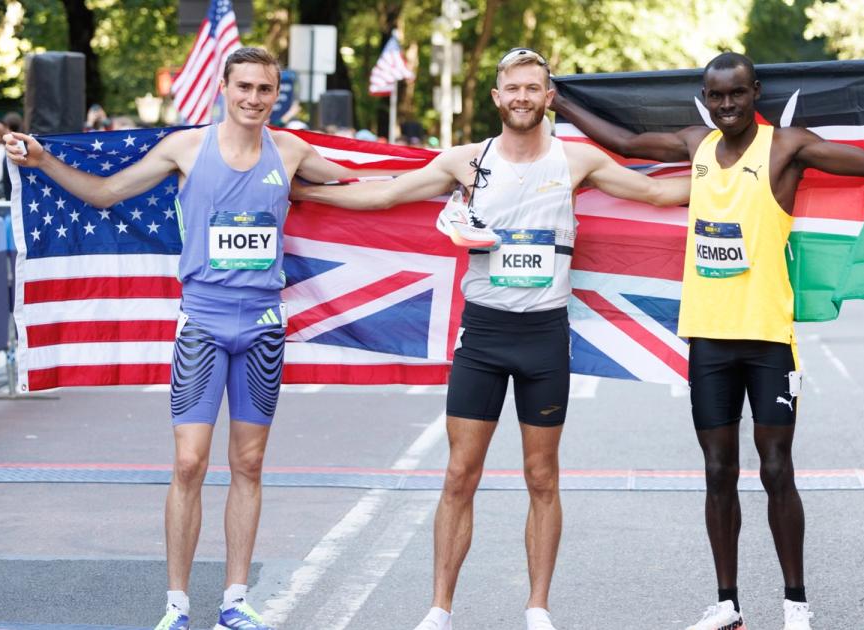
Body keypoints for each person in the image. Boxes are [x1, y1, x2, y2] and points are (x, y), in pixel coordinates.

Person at [552, 52, 864, 630]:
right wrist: (558, 99)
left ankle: (796, 604)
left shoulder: (787, 147)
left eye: (736, 94)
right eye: (715, 96)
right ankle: (727, 605)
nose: (726, 106)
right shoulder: (696, 146)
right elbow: (627, 142)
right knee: (718, 471)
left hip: (768, 339)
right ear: (705, 98)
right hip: (709, 340)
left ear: (755, 92)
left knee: (775, 469)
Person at [292, 47, 689, 630]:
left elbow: (655, 194)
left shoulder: (575, 160)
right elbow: (384, 194)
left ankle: (537, 608)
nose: (523, 97)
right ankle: (439, 609)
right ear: (498, 98)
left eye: (534, 88)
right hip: (483, 335)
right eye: (514, 89)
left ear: (548, 97)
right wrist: (306, 195)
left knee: (542, 476)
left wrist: (738, 179)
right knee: (460, 474)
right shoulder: (465, 161)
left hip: (545, 337)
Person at [4, 47, 362, 630]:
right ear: (224, 87)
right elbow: (104, 194)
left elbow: (358, 182)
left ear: (277, 94)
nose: (253, 98)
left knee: (248, 462)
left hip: (263, 328)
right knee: (190, 462)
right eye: (244, 86)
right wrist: (43, 161)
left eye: (265, 89)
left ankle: (235, 600)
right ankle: (176, 603)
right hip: (203, 322)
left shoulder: (291, 151)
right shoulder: (186, 148)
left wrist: (432, 180)